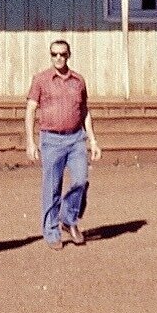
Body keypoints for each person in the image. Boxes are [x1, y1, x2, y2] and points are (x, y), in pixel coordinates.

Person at [25, 39, 100, 249]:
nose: (58, 58)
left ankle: (68, 219)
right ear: (50, 55)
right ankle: (51, 231)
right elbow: (30, 109)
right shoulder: (41, 80)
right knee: (52, 187)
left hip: (76, 138)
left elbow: (84, 111)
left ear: (69, 55)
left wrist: (93, 140)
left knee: (80, 180)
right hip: (51, 139)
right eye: (54, 54)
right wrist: (30, 142)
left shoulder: (78, 81)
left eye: (62, 54)